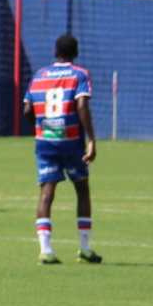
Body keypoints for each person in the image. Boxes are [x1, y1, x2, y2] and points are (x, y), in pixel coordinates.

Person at [23, 34, 101, 265]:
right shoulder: (79, 74)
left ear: (55, 52)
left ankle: (46, 251)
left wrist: (39, 129)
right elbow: (82, 106)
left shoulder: (39, 75)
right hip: (71, 141)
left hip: (45, 141)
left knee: (47, 194)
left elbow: (27, 110)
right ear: (75, 53)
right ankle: (85, 249)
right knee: (82, 189)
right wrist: (92, 140)